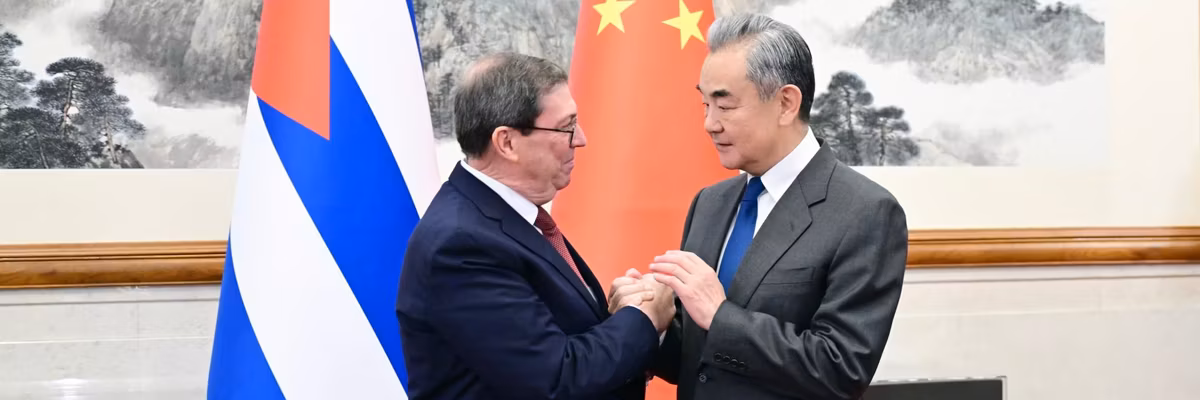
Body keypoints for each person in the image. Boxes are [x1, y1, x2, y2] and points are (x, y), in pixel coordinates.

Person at [637, 14, 910, 400]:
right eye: (704, 104)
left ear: (785, 103)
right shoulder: (709, 203)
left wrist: (720, 317)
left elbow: (840, 369)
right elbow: (698, 360)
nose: (709, 124)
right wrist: (651, 322)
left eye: (725, 105)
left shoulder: (866, 212)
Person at [395, 52, 675, 400]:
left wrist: (622, 318)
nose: (581, 139)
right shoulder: (460, 245)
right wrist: (644, 317)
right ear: (507, 142)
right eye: (566, 127)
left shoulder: (511, 218)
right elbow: (555, 379)